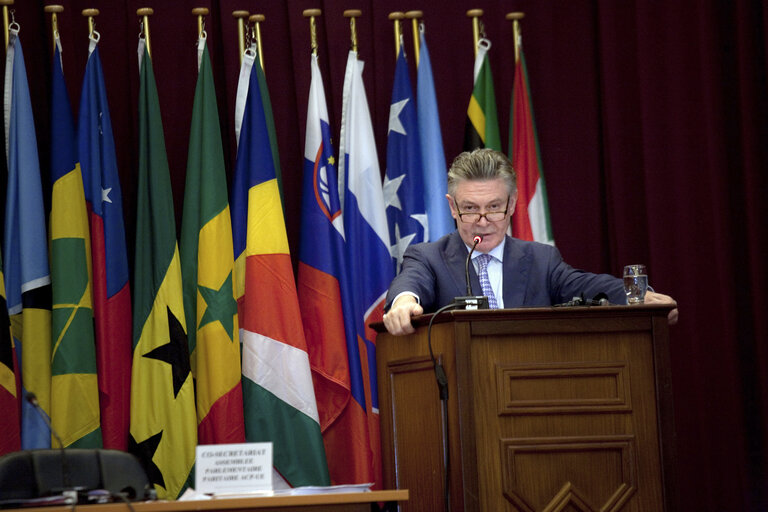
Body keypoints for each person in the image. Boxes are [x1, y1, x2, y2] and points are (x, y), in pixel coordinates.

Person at [383, 148, 678, 336]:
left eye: (495, 207)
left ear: (512, 204)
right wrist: (405, 302)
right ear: (452, 207)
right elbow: (410, 283)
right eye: (470, 208)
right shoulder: (429, 257)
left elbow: (586, 285)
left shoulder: (541, 260)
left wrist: (638, 297)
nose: (483, 221)